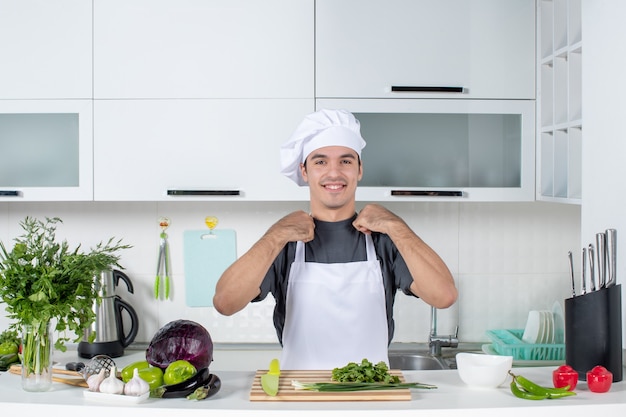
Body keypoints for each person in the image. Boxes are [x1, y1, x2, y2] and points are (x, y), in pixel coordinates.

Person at [213, 108, 457, 370]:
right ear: (304, 171)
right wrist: (275, 235)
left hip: (370, 391)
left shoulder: (383, 241)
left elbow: (443, 296)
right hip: (302, 393)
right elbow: (226, 302)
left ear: (360, 169)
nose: (334, 173)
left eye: (346, 161)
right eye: (320, 162)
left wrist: (396, 226)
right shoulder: (284, 244)